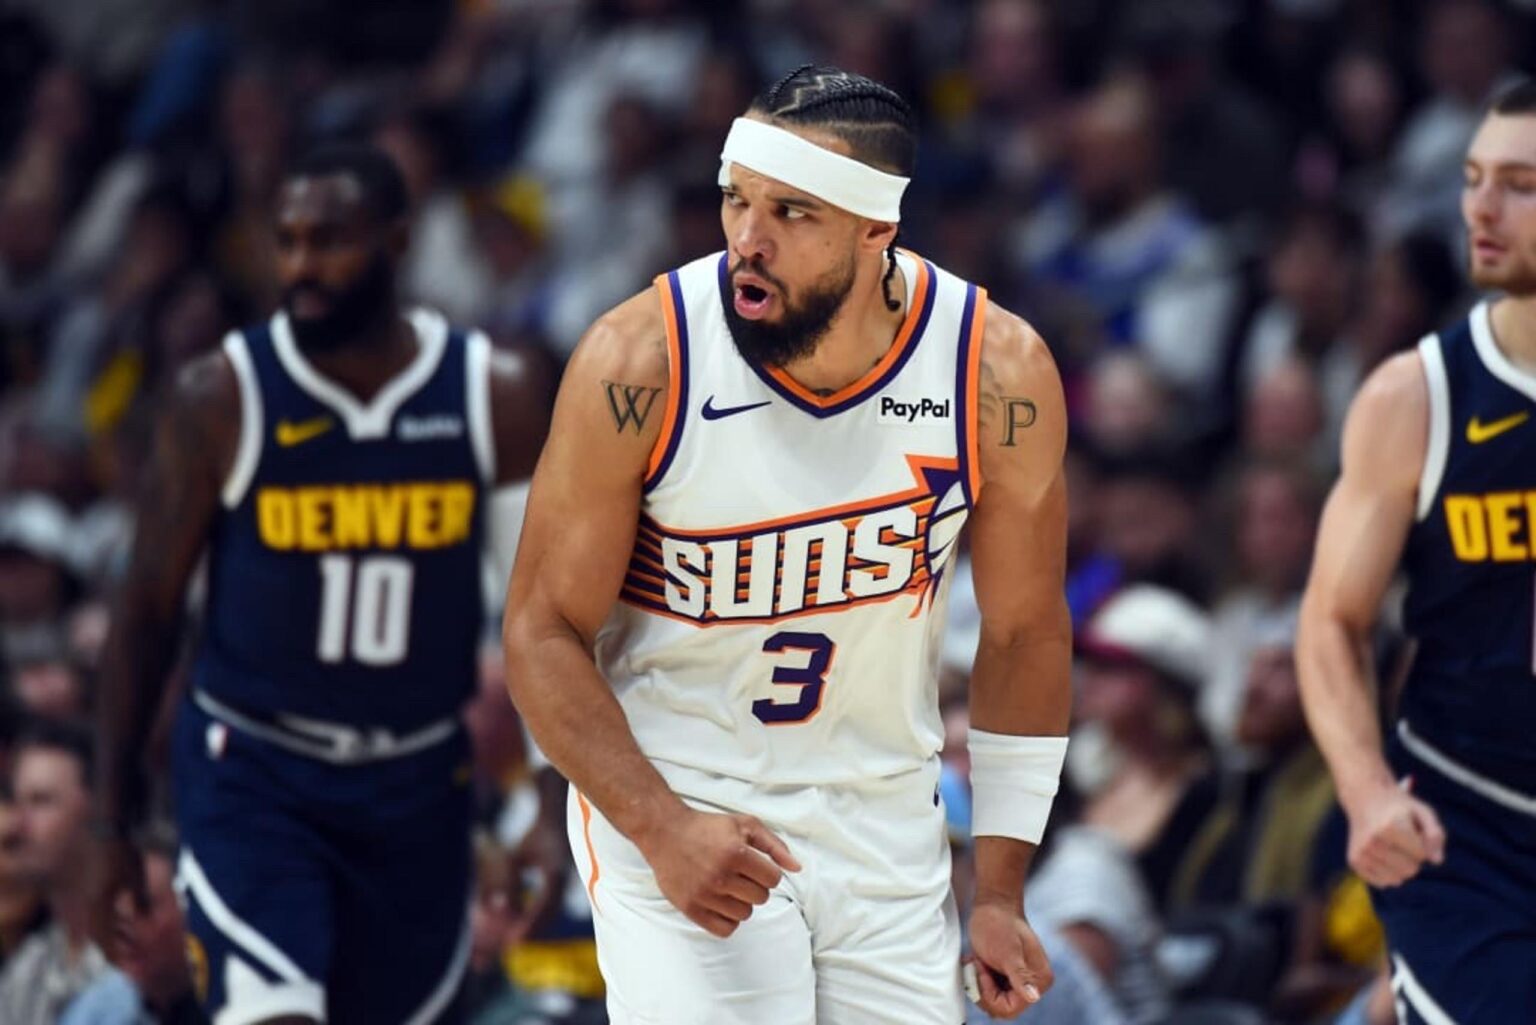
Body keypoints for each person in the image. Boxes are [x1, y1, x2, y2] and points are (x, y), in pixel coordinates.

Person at [503, 65, 1072, 1023]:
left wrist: (1002, 887)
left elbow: (1024, 635)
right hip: (682, 798)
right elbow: (540, 629)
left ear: (874, 232)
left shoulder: (994, 370)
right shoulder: (639, 359)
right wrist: (658, 825)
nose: (746, 242)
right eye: (736, 200)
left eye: (792, 214)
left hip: (887, 829)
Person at [92, 143, 548, 1024]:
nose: (302, 265)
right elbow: (144, 610)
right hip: (256, 773)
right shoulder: (221, 394)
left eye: (330, 240)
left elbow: (546, 612)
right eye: (288, 240)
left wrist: (550, 796)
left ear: (399, 241)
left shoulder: (495, 392)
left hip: (416, 783)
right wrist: (113, 820)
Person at [1297, 79, 1536, 1023]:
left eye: (1519, 184)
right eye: (1474, 177)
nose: (1479, 206)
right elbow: (1330, 620)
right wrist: (1364, 793)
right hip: (1465, 819)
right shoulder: (1419, 395)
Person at [0, 722, 112, 1024]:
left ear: (98, 808)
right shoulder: (28, 968)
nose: (15, 826)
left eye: (40, 802)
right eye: (16, 801)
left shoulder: (147, 948)